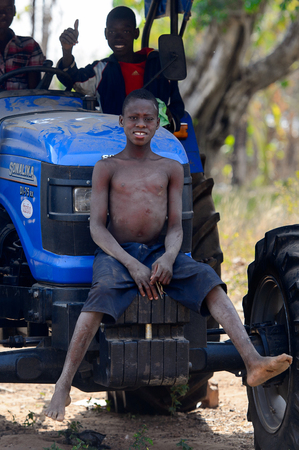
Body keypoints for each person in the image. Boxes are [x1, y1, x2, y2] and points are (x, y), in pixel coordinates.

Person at [44, 88, 292, 422]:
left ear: (159, 123)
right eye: (134, 118)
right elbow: (98, 229)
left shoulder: (172, 168)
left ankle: (252, 361)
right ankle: (63, 384)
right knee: (100, 294)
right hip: (118, 254)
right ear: (121, 122)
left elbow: (176, 226)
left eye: (148, 118)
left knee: (208, 280)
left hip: (160, 251)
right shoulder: (107, 168)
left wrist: (170, 257)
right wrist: (130, 264)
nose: (141, 124)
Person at [57, 6, 184, 131]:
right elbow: (74, 80)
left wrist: (169, 118)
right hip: (115, 141)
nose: (118, 37)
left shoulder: (159, 65)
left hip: (156, 141)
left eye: (126, 31)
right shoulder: (101, 69)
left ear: (136, 33)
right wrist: (67, 51)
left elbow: (177, 106)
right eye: (112, 32)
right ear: (106, 34)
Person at [0, 0, 45, 90]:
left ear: (14, 11)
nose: (3, 14)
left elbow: (34, 92)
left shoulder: (30, 46)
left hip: (21, 103)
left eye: (8, 9)